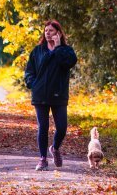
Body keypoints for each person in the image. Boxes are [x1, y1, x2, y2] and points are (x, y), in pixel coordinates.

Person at [24, 20, 77, 171]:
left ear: (58, 33)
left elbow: (69, 63)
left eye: (51, 31)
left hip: (58, 94)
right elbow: (29, 70)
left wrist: (58, 47)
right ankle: (42, 159)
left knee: (62, 127)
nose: (48, 33)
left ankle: (54, 148)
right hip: (40, 94)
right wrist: (32, 83)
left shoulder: (66, 51)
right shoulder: (38, 51)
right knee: (43, 127)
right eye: (46, 30)